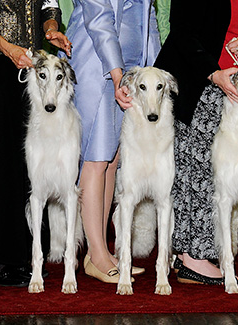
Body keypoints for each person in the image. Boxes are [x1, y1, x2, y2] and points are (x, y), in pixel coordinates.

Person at [154, 0, 238, 284]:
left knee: (213, 176)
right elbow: (182, 34)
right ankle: (194, 259)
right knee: (200, 173)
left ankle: (187, 253)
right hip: (202, 84)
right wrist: (214, 73)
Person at [0, 0, 71, 287]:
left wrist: (51, 30)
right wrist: (8, 48)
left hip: (29, 69)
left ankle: (25, 254)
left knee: (25, 165)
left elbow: (49, 5)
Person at [62, 0, 161, 283]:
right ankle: (96, 253)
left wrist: (151, 68)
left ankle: (100, 250)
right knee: (95, 157)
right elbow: (99, 18)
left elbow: (147, 16)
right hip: (97, 62)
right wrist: (117, 74)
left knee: (111, 159)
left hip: (129, 69)